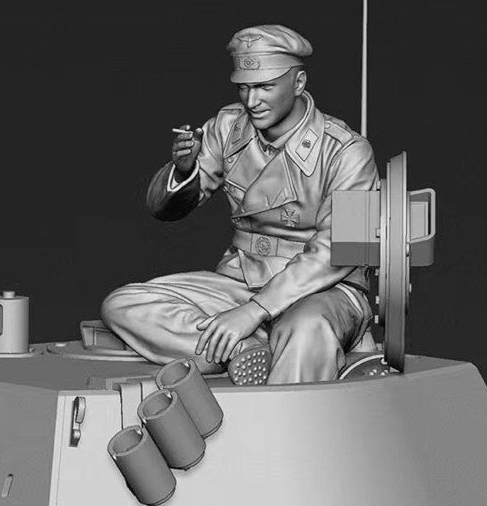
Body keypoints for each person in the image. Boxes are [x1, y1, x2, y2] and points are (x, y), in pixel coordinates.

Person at [100, 24, 379, 384]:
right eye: (244, 87)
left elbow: (339, 251)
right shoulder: (229, 127)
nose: (252, 101)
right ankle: (241, 350)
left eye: (265, 87)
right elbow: (163, 209)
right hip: (242, 280)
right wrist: (184, 172)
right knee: (124, 305)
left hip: (324, 289)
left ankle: (278, 392)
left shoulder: (348, 152)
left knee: (307, 330)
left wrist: (255, 310)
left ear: (298, 83)